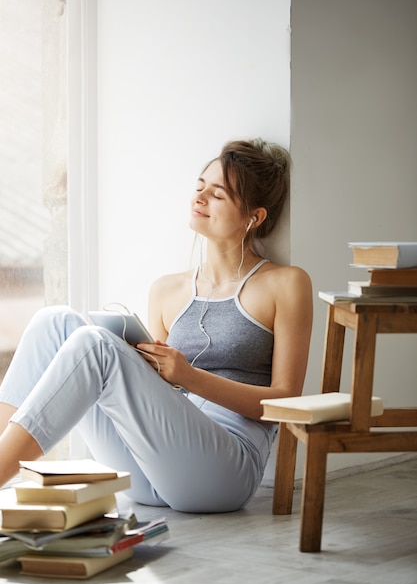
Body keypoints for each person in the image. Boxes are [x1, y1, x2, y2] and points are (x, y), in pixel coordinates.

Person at [0, 138, 312, 513]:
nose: (199, 199)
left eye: (217, 195)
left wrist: (189, 377)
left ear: (254, 217)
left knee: (95, 344)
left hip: (224, 470)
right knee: (54, 322)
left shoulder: (285, 284)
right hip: (152, 469)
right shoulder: (167, 290)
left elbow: (287, 402)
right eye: (199, 188)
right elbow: (157, 395)